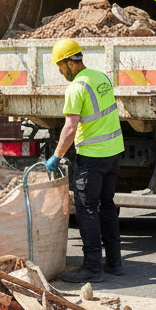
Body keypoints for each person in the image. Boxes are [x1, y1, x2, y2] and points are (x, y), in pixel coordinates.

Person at [44, 39, 125, 283]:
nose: (60, 71)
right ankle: (115, 262)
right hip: (113, 153)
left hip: (93, 157)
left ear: (70, 62)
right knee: (107, 205)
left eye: (60, 66)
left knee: (87, 210)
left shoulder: (76, 87)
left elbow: (70, 128)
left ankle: (92, 268)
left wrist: (56, 157)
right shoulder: (100, 77)